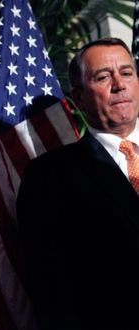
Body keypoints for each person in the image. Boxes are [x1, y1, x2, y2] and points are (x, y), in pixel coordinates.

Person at [17, 37, 139, 330]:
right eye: (102, 77)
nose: (119, 84)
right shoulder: (48, 177)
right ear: (79, 96)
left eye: (126, 73)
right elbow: (51, 291)